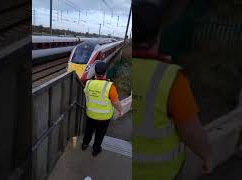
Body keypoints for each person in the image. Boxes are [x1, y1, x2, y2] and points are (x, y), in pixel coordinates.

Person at [132, 1, 212, 180]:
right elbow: (192, 132)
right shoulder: (171, 79)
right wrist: (207, 156)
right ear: (159, 35)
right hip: (160, 175)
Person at [82, 61, 124, 156]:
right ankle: (95, 150)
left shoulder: (88, 83)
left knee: (88, 131)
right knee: (99, 134)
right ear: (105, 73)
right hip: (104, 118)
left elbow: (86, 93)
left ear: (95, 72)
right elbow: (115, 102)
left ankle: (84, 144)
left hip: (90, 114)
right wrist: (121, 110)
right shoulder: (110, 87)